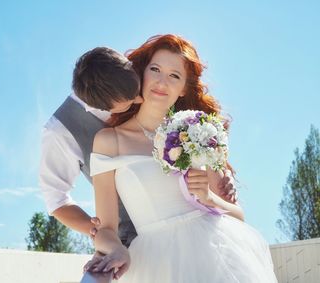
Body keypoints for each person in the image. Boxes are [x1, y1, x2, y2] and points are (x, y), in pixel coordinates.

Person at [86, 34, 277, 282]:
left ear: (184, 87)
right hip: (155, 263)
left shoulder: (197, 131)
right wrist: (117, 249)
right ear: (142, 73)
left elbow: (237, 215)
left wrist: (208, 198)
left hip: (218, 253)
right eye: (155, 69)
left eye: (174, 75)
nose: (161, 81)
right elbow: (106, 230)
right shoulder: (108, 140)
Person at [40, 46, 238, 249]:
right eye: (131, 101)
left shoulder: (125, 72)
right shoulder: (60, 131)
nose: (141, 99)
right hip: (134, 244)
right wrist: (101, 233)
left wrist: (219, 173)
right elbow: (57, 201)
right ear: (106, 106)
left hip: (198, 229)